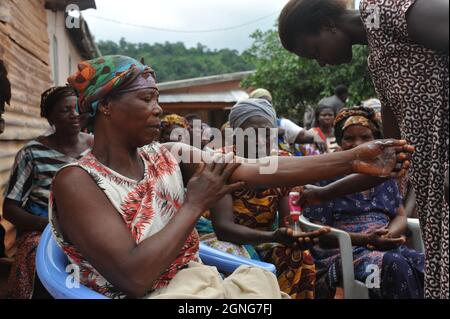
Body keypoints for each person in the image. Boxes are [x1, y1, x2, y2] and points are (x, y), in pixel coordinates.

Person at [50, 55, 412, 299]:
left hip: (191, 284)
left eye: (157, 97)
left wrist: (350, 159)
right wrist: (195, 203)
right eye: (146, 98)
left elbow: (261, 169)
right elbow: (134, 278)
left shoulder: (166, 154)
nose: (158, 108)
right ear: (107, 106)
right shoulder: (77, 181)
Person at [278, 0, 449, 298]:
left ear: (326, 26)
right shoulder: (378, 63)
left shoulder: (384, 9)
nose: (320, 62)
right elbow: (389, 160)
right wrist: (323, 193)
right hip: (434, 198)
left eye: (315, 51)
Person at [197, 98, 330, 299]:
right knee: (237, 260)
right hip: (222, 238)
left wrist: (293, 235)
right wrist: (274, 236)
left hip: (266, 237)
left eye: (267, 134)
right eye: (250, 135)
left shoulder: (284, 162)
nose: (260, 141)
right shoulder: (221, 162)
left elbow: (288, 218)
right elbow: (224, 228)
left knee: (298, 256)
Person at [300, 107, 424, 299]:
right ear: (339, 141)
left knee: (428, 263)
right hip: (346, 251)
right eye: (349, 138)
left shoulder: (384, 172)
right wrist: (365, 240)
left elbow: (400, 215)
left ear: (377, 141)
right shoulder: (326, 176)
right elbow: (317, 232)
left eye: (365, 137)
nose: (357, 144)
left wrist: (387, 235)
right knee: (394, 266)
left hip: (386, 246)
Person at [2, 86, 93, 298]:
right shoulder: (32, 153)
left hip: (91, 226)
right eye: (65, 110)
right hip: (43, 229)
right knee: (37, 259)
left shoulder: (96, 148)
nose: (74, 115)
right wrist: (51, 227)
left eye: (78, 108)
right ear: (49, 117)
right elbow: (10, 208)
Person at [249, 88, 327, 153]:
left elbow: (304, 135)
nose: (266, 105)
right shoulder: (246, 126)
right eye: (261, 102)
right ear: (253, 105)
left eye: (269, 102)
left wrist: (315, 137)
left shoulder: (282, 123)